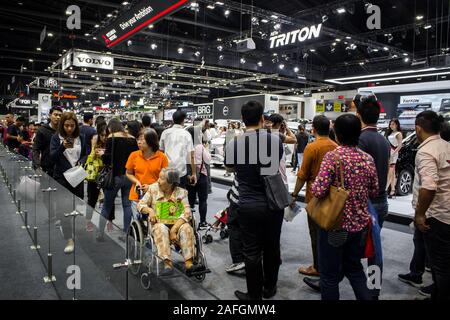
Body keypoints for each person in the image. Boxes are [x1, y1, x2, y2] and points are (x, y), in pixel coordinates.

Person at [311, 114, 379, 300]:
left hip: (336, 227)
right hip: (359, 227)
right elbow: (374, 191)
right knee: (355, 269)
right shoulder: (368, 159)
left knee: (330, 276)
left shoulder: (333, 157)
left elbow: (318, 190)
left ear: (337, 134)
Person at [225, 101, 284, 300]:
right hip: (273, 203)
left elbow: (230, 168)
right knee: (272, 247)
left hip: (248, 204)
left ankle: (255, 295)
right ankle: (270, 288)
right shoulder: (275, 140)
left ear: (242, 119)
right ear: (262, 119)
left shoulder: (236, 143)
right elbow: (273, 166)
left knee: (251, 251)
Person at [291, 115, 337, 281]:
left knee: (315, 234)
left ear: (314, 129)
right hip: (332, 198)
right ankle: (329, 265)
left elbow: (302, 175)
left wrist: (294, 194)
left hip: (314, 198)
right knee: (329, 234)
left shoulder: (312, 147)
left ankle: (317, 267)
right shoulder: (335, 146)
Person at [354, 94, 391, 299]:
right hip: (382, 201)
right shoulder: (384, 141)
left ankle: (331, 279)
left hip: (366, 203)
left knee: (353, 249)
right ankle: (373, 289)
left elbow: (359, 176)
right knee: (374, 251)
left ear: (359, 115)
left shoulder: (361, 139)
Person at [137, 168, 205, 276]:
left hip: (177, 225)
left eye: (162, 178)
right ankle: (167, 263)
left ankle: (189, 264)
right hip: (159, 224)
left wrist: (174, 229)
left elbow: (187, 212)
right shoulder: (153, 189)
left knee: (187, 227)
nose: (158, 180)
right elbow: (140, 204)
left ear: (171, 182)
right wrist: (150, 211)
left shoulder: (182, 193)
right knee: (161, 228)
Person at [412, 111, 450, 300]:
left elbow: (429, 185)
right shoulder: (446, 146)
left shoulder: (426, 151)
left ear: (418, 129)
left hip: (437, 215)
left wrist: (420, 214)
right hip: (446, 212)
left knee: (440, 265)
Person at [50, 112, 87, 254]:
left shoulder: (81, 137)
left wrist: (82, 162)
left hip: (77, 176)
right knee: (62, 209)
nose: (69, 129)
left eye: (72, 125)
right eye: (66, 125)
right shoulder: (56, 138)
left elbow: (85, 154)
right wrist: (62, 147)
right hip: (61, 177)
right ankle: (69, 239)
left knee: (75, 206)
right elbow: (52, 157)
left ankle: (67, 228)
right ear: (62, 125)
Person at [98, 119, 138, 240]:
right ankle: (126, 234)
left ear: (111, 128)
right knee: (127, 205)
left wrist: (101, 155)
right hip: (129, 177)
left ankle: (100, 233)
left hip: (114, 176)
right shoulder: (132, 138)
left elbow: (108, 158)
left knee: (106, 206)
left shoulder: (112, 137)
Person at [126, 129, 168, 218]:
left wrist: (151, 186)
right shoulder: (134, 155)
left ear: (151, 141)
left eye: (142, 139)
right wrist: (137, 182)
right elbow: (129, 173)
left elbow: (165, 177)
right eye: (138, 139)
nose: (139, 142)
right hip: (137, 195)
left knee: (157, 222)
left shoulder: (162, 157)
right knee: (138, 221)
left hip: (157, 195)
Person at [159, 109, 196, 189]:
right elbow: (192, 156)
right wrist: (194, 173)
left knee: (166, 195)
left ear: (173, 120)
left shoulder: (165, 132)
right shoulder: (186, 134)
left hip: (166, 169)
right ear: (183, 120)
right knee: (179, 196)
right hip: (181, 171)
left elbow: (160, 152)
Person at [85, 120, 110, 233]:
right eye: (102, 135)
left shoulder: (111, 143)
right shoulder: (95, 140)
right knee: (92, 199)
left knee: (109, 200)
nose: (104, 137)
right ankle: (88, 221)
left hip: (107, 174)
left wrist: (106, 154)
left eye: (106, 135)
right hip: (95, 175)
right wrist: (94, 154)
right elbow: (89, 160)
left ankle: (110, 221)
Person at [186, 133, 211, 229]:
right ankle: (202, 222)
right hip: (201, 176)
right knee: (203, 200)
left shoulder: (186, 147)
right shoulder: (200, 147)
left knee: (190, 201)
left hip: (190, 177)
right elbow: (208, 160)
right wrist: (207, 148)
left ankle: (189, 223)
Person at [267, 113, 297, 189]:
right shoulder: (275, 134)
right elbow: (294, 139)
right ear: (278, 124)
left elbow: (286, 151)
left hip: (270, 177)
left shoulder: (265, 133)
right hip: (279, 178)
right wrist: (287, 128)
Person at [32, 107, 63, 176]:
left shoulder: (63, 131)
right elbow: (36, 149)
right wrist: (37, 166)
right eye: (55, 114)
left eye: (60, 115)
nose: (58, 117)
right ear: (50, 115)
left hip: (61, 168)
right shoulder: (42, 130)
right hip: (46, 167)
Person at [385, 119, 403, 198]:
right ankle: (392, 190)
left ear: (396, 125)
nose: (391, 126)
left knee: (391, 170)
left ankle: (385, 189)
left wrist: (394, 153)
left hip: (393, 153)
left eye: (392, 124)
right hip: (389, 152)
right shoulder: (390, 133)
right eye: (390, 124)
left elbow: (400, 146)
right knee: (392, 172)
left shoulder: (399, 134)